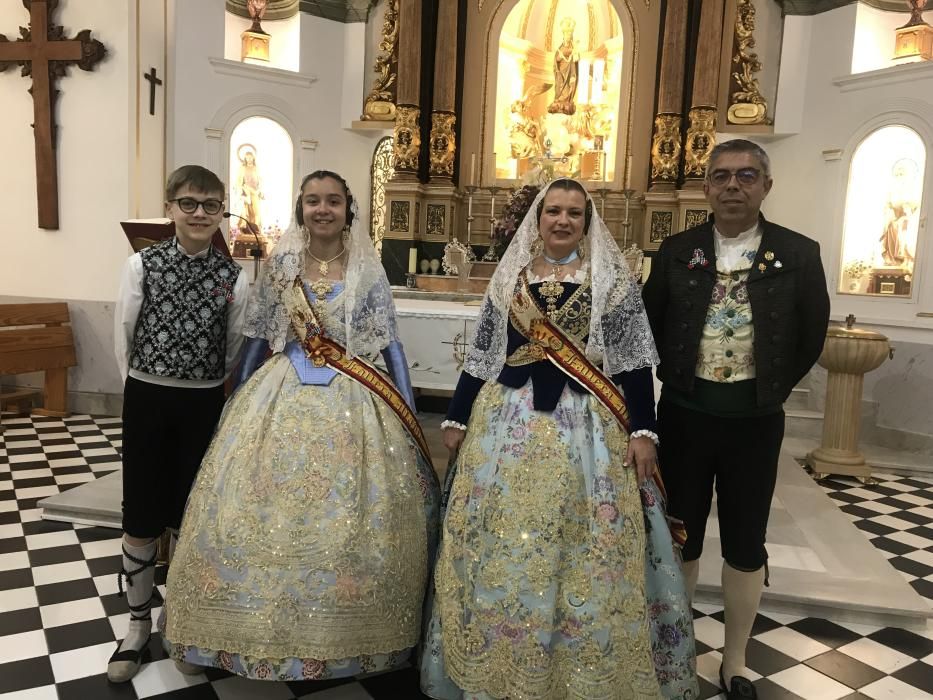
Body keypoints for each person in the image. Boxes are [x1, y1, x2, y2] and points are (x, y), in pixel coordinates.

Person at [421, 178, 698, 700]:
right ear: (538, 218)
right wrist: (456, 417)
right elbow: (482, 355)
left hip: (586, 426)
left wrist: (643, 430)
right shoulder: (512, 278)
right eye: (553, 211)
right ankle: (501, 650)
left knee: (581, 539)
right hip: (507, 420)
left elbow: (632, 362)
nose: (563, 220)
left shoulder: (611, 281)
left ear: (587, 223)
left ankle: (575, 661)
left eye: (574, 213)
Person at [161, 170, 440, 682]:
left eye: (333, 200)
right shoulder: (282, 266)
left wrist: (408, 412)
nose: (323, 209)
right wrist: (236, 400)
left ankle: (344, 636)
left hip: (354, 397)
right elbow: (258, 336)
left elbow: (390, 342)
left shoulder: (366, 269)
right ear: (300, 208)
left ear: (348, 209)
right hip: (281, 387)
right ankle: (227, 631)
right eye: (313, 201)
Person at [642, 139, 830, 700]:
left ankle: (737, 660)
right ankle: (678, 649)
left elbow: (810, 334)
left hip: (754, 422)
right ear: (706, 187)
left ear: (766, 186)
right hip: (684, 417)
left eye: (747, 176)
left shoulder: (799, 253)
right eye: (721, 176)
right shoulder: (676, 251)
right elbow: (650, 323)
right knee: (682, 536)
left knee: (747, 540)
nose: (733, 186)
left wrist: (764, 388)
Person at [108, 165, 249, 682]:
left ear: (221, 214)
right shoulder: (140, 266)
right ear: (169, 208)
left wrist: (200, 384)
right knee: (141, 515)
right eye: (189, 203)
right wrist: (147, 386)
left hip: (202, 405)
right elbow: (123, 335)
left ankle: (183, 626)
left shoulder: (235, 277)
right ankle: (137, 627)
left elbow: (233, 348)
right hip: (147, 400)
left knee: (192, 516)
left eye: (211, 205)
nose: (199, 214)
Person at [548, 17, 579, 115]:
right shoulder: (559, 49)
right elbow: (556, 60)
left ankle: (567, 102)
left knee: (569, 87)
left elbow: (576, 60)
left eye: (569, 35)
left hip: (570, 72)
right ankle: (558, 100)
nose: (568, 37)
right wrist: (562, 57)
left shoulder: (574, 49)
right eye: (566, 35)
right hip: (560, 73)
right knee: (560, 87)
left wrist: (574, 54)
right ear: (564, 36)